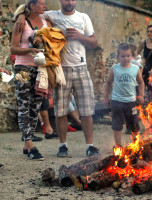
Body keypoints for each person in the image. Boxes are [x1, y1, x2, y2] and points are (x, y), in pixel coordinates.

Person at [16, 0, 100, 157]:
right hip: (60, 69)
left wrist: (80, 36)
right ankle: (63, 146)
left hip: (81, 67)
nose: (70, 2)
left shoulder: (83, 17)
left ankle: (90, 146)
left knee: (87, 110)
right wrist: (21, 16)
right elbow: (31, 11)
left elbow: (95, 42)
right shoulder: (52, 15)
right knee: (60, 110)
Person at [11, 0, 52, 160]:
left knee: (35, 107)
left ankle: (26, 143)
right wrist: (30, 49)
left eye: (45, 3)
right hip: (23, 68)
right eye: (41, 3)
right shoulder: (22, 22)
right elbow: (13, 48)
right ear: (32, 5)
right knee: (24, 105)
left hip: (40, 69)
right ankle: (29, 144)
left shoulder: (47, 22)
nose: (45, 6)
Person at [104, 43, 145, 147]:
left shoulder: (135, 69)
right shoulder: (114, 68)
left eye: (128, 56)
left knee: (134, 125)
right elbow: (108, 83)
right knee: (117, 125)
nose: (126, 58)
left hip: (131, 101)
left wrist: (141, 96)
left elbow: (141, 83)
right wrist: (106, 98)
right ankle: (118, 145)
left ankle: (136, 146)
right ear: (118, 56)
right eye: (123, 56)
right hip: (117, 101)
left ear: (132, 56)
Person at [137, 25, 152, 104]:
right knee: (145, 90)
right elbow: (136, 52)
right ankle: (145, 107)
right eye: (148, 31)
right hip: (146, 70)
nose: (149, 33)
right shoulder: (144, 42)